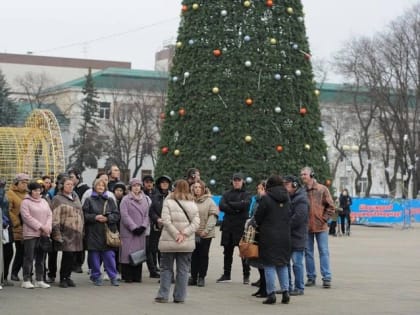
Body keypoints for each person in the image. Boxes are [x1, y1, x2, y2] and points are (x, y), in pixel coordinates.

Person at [154, 179, 199, 304]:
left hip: (169, 240)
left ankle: (163, 295)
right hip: (186, 242)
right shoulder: (192, 203)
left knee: (166, 269)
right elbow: (196, 223)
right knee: (183, 270)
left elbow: (165, 221)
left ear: (174, 188)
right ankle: (180, 297)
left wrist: (176, 234)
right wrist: (184, 234)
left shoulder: (168, 202)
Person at [254, 175, 291, 305]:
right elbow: (289, 215)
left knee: (269, 264)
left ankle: (271, 294)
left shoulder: (266, 198)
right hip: (285, 235)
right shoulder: (287, 198)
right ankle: (286, 291)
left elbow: (258, 217)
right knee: (282, 263)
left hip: (268, 236)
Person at [300, 166, 335, 289]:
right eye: (302, 174)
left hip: (321, 227)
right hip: (306, 227)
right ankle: (311, 277)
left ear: (311, 175)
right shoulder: (301, 191)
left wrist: (324, 219)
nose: (303, 176)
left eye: (305, 174)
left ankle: (326, 278)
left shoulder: (322, 189)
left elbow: (331, 206)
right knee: (308, 253)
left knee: (324, 252)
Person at [83, 178, 120, 286]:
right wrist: (95, 217)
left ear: (105, 188)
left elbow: (117, 215)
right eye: (98, 185)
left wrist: (108, 218)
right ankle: (96, 276)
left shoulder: (110, 200)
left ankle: (113, 276)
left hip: (107, 233)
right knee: (94, 256)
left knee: (109, 256)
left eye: (102, 186)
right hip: (93, 233)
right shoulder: (89, 200)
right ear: (94, 187)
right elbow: (84, 215)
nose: (100, 187)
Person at [217, 173, 252, 284]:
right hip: (228, 227)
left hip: (241, 227)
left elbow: (245, 205)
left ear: (243, 181)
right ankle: (226, 275)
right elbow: (222, 206)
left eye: (239, 180)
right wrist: (236, 208)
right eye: (235, 180)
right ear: (232, 181)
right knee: (227, 252)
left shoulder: (247, 194)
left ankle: (246, 276)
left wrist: (230, 205)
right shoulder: (226, 193)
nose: (236, 182)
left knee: (244, 252)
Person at [51, 176, 84, 288]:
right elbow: (54, 217)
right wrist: (56, 233)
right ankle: (63, 278)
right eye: (67, 184)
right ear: (62, 186)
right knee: (67, 255)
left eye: (72, 184)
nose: (70, 186)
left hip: (77, 232)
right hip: (66, 232)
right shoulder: (57, 198)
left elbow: (81, 214)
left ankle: (68, 276)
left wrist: (82, 229)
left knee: (73, 256)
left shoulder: (76, 197)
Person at [20, 181, 52, 289]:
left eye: (39, 190)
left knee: (41, 258)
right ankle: (26, 279)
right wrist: (40, 227)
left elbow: (49, 215)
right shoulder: (25, 202)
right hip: (30, 234)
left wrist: (47, 228)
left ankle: (39, 279)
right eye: (35, 190)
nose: (37, 192)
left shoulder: (44, 201)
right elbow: (26, 217)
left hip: (43, 234)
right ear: (30, 191)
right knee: (29, 257)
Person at [119, 178, 151, 283]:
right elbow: (124, 215)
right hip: (129, 231)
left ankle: (137, 276)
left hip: (140, 231)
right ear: (130, 187)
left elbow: (147, 214)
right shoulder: (125, 199)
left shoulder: (145, 199)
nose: (136, 187)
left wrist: (143, 226)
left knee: (139, 254)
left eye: (138, 185)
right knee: (127, 254)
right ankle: (127, 276)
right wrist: (133, 227)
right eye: (134, 185)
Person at [188, 180, 219, 287]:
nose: (197, 189)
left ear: (203, 189)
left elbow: (213, 216)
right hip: (193, 233)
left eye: (199, 187)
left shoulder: (209, 201)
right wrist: (192, 229)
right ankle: (193, 276)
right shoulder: (189, 201)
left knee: (203, 255)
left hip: (206, 234)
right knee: (193, 256)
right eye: (195, 187)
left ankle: (201, 277)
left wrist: (205, 231)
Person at [283, 175, 309, 296]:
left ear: (294, 185)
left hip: (297, 236)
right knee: (286, 263)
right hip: (288, 236)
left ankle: (299, 288)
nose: (285, 187)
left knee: (297, 264)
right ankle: (287, 287)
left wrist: (285, 225)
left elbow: (299, 217)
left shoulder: (301, 199)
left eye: (287, 184)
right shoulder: (287, 197)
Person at [7, 173, 30, 282]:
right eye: (22, 182)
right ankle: (12, 273)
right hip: (15, 227)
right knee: (16, 251)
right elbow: (8, 210)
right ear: (16, 183)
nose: (25, 185)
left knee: (25, 252)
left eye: (26, 183)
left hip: (27, 227)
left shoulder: (28, 194)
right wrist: (16, 222)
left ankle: (17, 272)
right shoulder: (10, 193)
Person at [148, 175, 172, 279]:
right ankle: (163, 274)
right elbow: (151, 211)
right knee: (158, 250)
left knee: (169, 252)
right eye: (162, 183)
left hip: (170, 228)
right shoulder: (155, 197)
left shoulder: (173, 196)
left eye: (166, 183)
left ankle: (170, 274)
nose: (164, 184)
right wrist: (157, 219)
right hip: (157, 228)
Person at [67, 168, 90, 274]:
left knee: (80, 243)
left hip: (80, 219)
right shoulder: (70, 188)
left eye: (72, 177)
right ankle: (71, 263)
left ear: (78, 177)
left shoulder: (85, 189)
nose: (70, 179)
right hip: (70, 220)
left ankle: (78, 264)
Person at [248, 180, 267, 297]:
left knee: (263, 264)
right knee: (258, 262)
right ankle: (261, 286)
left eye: (260, 189)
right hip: (256, 233)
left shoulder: (266, 202)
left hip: (263, 234)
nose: (258, 191)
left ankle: (265, 288)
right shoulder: (257, 200)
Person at [1, 179, 14, 287]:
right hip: (2, 223)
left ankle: (4, 276)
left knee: (8, 252)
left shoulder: (3, 190)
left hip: (6, 225)